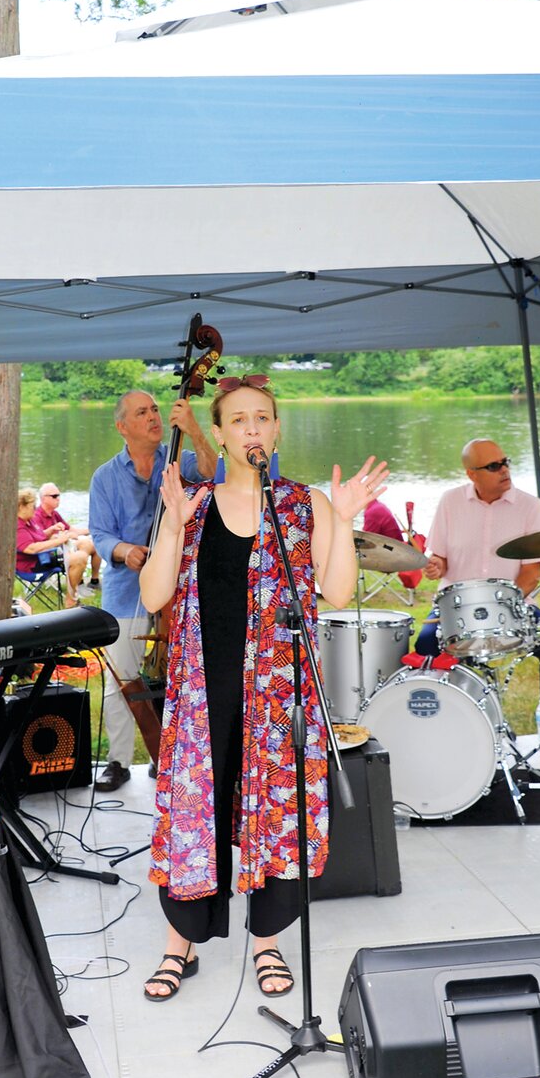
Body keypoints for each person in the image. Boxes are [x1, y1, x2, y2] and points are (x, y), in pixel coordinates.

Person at [138, 375, 388, 1001]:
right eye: (239, 419)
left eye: (263, 418)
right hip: (204, 687)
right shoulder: (190, 502)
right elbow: (152, 595)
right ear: (218, 434)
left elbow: (336, 592)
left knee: (276, 810)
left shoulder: (303, 504)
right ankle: (180, 944)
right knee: (202, 807)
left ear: (276, 431)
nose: (252, 428)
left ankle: (267, 942)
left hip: (279, 692)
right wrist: (171, 527)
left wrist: (345, 518)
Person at [88, 390, 218, 792]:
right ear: (122, 426)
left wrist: (194, 428)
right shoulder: (105, 477)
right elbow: (101, 534)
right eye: (142, 412)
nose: (153, 417)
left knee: (183, 676)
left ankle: (174, 756)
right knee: (122, 678)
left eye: (156, 409)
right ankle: (118, 761)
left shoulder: (179, 460)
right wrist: (126, 551)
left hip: (179, 588)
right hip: (127, 590)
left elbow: (217, 474)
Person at [418, 438, 540, 771]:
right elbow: (440, 559)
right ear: (471, 474)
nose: (504, 470)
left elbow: (531, 572)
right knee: (425, 643)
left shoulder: (530, 506)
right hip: (457, 604)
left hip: (512, 603)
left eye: (505, 462)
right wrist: (435, 566)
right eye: (494, 466)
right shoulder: (450, 502)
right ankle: (434, 739)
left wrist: (503, 607)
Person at [15, 486, 78, 607]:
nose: (35, 508)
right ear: (22, 507)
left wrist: (51, 530)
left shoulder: (29, 520)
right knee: (77, 558)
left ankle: (73, 596)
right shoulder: (18, 526)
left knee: (78, 551)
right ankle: (71, 601)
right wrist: (59, 540)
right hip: (32, 566)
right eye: (32, 506)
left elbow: (38, 536)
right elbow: (30, 548)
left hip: (42, 557)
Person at [35, 482, 101, 596]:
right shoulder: (36, 516)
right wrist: (57, 535)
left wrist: (95, 529)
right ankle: (78, 584)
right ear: (43, 498)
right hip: (49, 554)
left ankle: (94, 581)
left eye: (59, 495)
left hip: (65, 547)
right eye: (54, 496)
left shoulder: (54, 514)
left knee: (95, 544)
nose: (58, 499)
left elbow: (72, 530)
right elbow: (37, 539)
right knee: (82, 549)